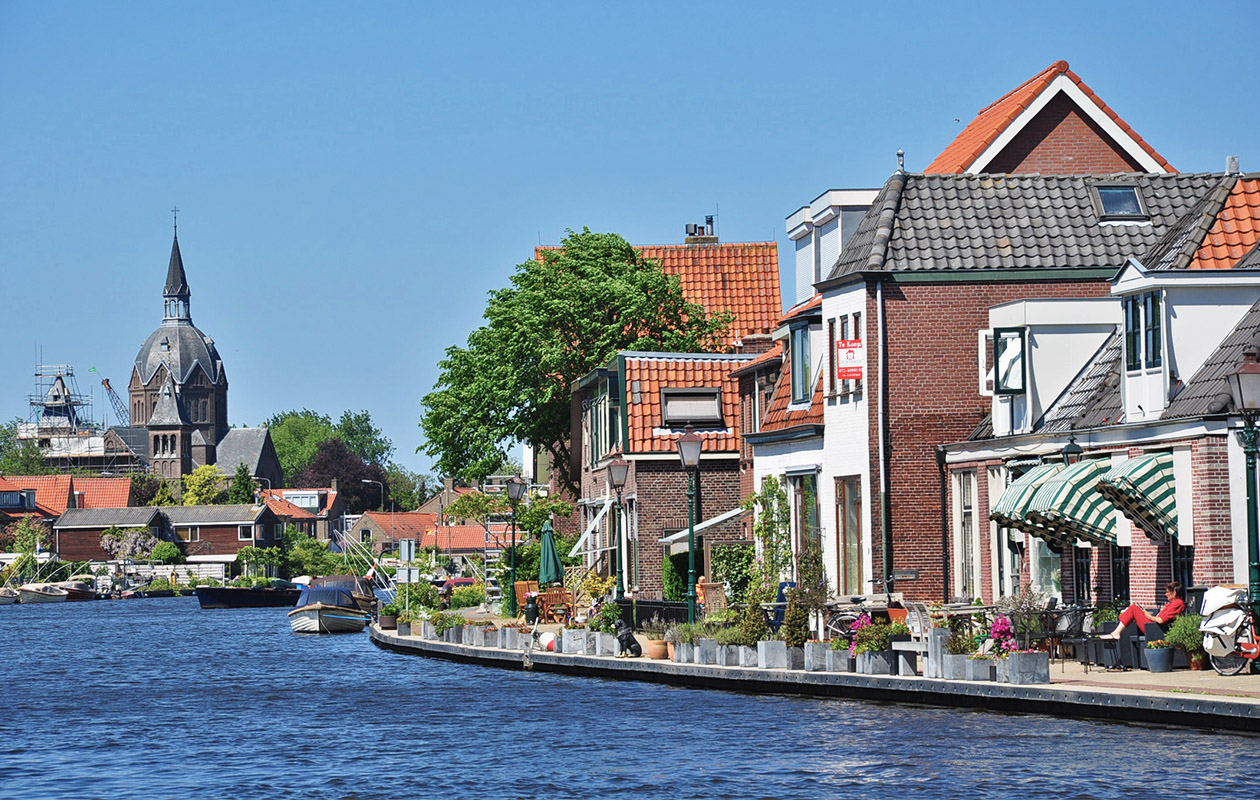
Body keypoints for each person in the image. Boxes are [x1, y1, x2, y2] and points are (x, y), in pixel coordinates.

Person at [1100, 582, 1186, 640]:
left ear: (1174, 592)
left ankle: (1116, 633)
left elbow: (1161, 620)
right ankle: (1118, 628)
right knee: (1134, 608)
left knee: (1134, 608)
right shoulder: (1173, 603)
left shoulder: (1178, 603)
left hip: (1155, 629)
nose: (1165, 594)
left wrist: (1149, 617)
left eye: (1167, 592)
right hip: (1154, 626)